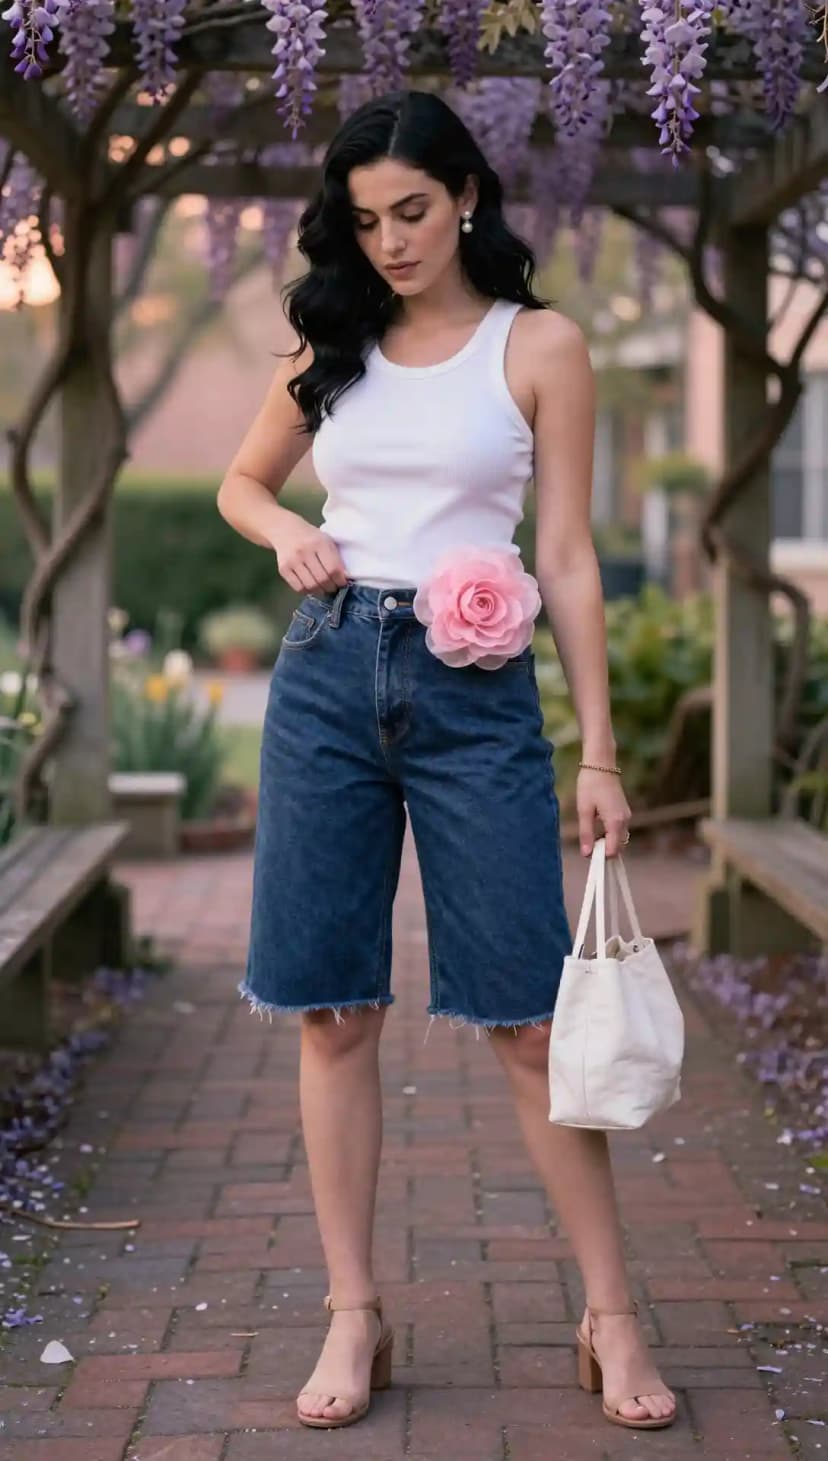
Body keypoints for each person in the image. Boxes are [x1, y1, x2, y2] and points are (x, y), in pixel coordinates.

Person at [217, 89, 677, 1435]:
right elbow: (247, 481)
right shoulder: (333, 335)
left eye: (410, 211)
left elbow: (575, 559)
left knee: (531, 1021)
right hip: (327, 676)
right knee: (333, 1009)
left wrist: (597, 751)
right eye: (364, 222)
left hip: (480, 693)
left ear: (467, 191)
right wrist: (283, 534)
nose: (390, 243)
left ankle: (612, 1312)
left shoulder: (542, 345)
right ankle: (353, 1309)